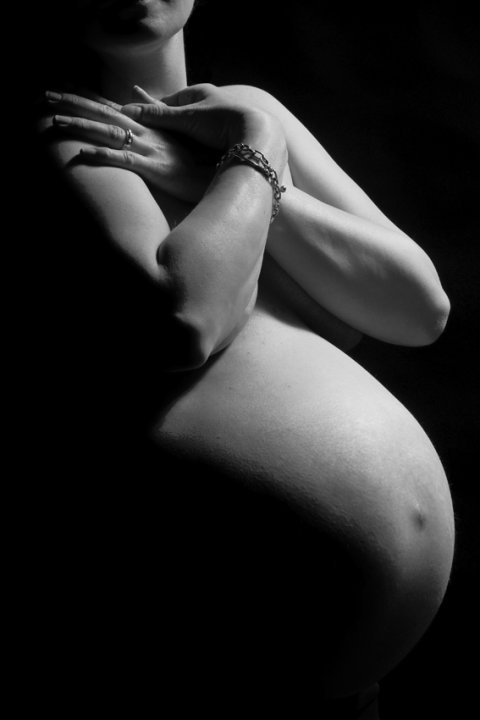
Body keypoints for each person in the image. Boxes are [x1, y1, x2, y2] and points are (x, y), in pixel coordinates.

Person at [31, 1, 455, 717]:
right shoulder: (70, 126)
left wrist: (224, 169)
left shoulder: (249, 107)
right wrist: (253, 155)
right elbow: (188, 317)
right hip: (215, 632)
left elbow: (419, 309)